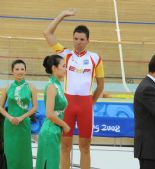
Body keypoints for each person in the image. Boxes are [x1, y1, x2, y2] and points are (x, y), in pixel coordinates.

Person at [43, 9, 104, 169]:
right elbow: (47, 33)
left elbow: (101, 85)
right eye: (76, 38)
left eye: (82, 39)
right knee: (65, 146)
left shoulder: (95, 58)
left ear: (88, 40)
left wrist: (91, 103)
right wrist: (61, 15)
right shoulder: (65, 55)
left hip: (85, 106)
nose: (78, 42)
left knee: (85, 147)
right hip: (67, 105)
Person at [0, 59, 38, 169]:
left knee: (24, 152)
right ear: (12, 71)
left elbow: (35, 107)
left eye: (22, 69)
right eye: (17, 69)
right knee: (10, 151)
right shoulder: (7, 87)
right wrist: (10, 117)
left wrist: (21, 117)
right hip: (9, 124)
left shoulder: (31, 87)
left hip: (24, 124)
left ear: (25, 71)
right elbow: (0, 107)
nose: (20, 71)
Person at [36, 55, 70, 169]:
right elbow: (49, 114)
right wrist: (64, 125)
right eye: (63, 66)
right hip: (50, 131)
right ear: (54, 68)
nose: (66, 69)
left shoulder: (57, 85)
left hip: (55, 132)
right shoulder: (51, 86)